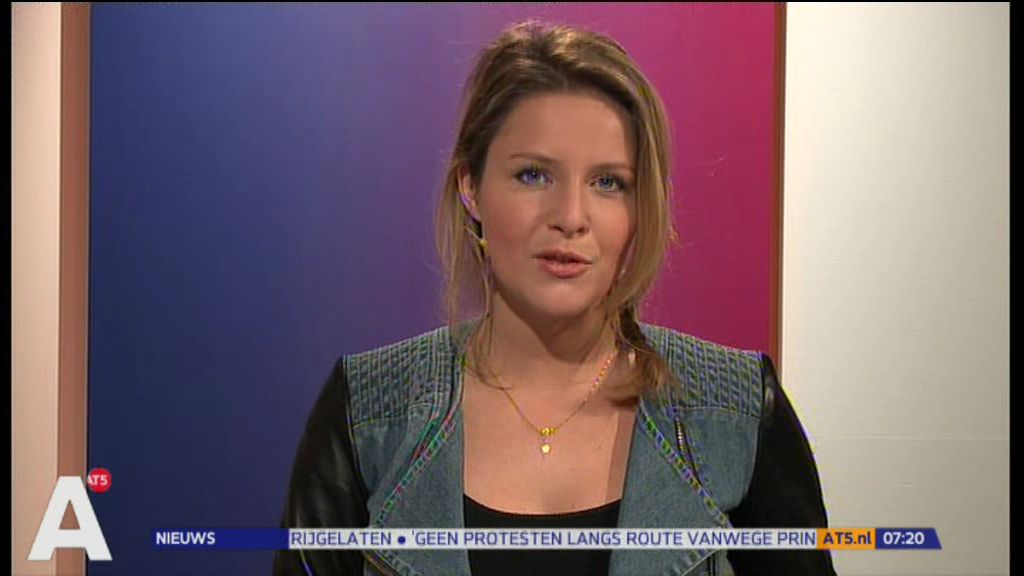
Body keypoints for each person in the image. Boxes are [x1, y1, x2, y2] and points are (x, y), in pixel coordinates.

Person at [274, 20, 836, 576]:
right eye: (534, 176)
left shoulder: (739, 411)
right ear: (471, 186)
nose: (570, 217)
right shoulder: (368, 411)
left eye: (608, 182)